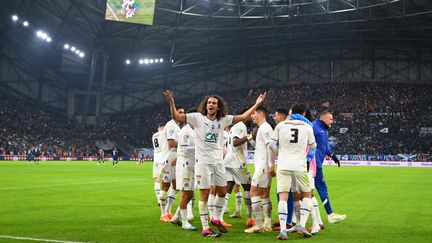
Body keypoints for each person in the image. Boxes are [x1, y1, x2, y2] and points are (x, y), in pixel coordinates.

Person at [163, 90, 267, 237]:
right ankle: (206, 228)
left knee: (223, 191)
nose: (211, 104)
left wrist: (257, 104)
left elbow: (243, 117)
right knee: (204, 193)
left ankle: (215, 218)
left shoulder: (223, 120)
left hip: (218, 162)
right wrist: (171, 102)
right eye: (209, 102)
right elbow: (177, 116)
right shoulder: (197, 118)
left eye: (214, 103)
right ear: (206, 105)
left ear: (218, 107)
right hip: (203, 162)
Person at [269, 104, 317, 240]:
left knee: (283, 197)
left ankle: (283, 230)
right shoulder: (307, 127)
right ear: (303, 113)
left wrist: (280, 154)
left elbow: (271, 145)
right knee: (307, 195)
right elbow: (313, 146)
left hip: (284, 166)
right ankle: (301, 225)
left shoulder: (281, 125)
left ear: (291, 113)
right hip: (300, 167)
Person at [244, 106, 275, 233]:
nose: (251, 116)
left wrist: (270, 166)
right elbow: (261, 147)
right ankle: (267, 223)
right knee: (264, 195)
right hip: (263, 165)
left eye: (253, 113)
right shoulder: (263, 128)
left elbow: (270, 147)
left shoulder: (266, 127)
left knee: (253, 192)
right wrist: (251, 140)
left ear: (261, 114)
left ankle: (258, 224)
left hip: (263, 166)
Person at [313, 111, 346, 224]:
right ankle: (329, 215)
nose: (332, 121)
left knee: (308, 192)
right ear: (324, 118)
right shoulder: (314, 127)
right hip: (313, 164)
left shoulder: (324, 130)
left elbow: (324, 147)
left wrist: (332, 155)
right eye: (331, 119)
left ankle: (319, 219)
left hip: (316, 164)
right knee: (319, 189)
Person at [223, 116, 253, 227]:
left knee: (228, 187)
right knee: (248, 187)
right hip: (237, 160)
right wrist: (249, 137)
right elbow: (236, 142)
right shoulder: (241, 125)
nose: (252, 118)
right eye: (251, 115)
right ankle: (250, 218)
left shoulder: (234, 127)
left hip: (229, 160)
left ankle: (219, 218)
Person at [171, 108, 197, 230]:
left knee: (190, 193)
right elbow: (185, 149)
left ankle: (176, 217)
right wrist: (200, 148)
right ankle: (185, 222)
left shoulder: (194, 130)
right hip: (185, 164)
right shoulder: (185, 131)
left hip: (191, 164)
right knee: (186, 194)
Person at [158, 106, 185, 223]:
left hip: (176, 159)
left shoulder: (177, 127)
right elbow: (171, 143)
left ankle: (168, 211)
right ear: (174, 113)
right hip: (168, 158)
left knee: (176, 186)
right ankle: (163, 213)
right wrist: (185, 144)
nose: (182, 114)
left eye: (183, 113)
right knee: (165, 186)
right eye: (179, 112)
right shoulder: (171, 125)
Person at [152, 123, 165, 208]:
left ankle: (158, 199)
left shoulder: (154, 135)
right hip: (162, 159)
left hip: (155, 159)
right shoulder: (163, 134)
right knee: (167, 182)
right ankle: (162, 198)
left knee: (157, 180)